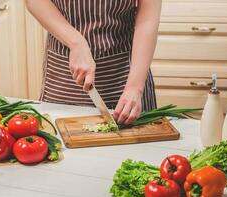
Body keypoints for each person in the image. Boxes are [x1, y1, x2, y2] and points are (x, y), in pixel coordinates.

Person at [26, 0, 161, 125]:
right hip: (65, 74)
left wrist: (134, 88)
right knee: (62, 141)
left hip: (126, 70)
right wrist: (76, 42)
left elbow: (147, 20)